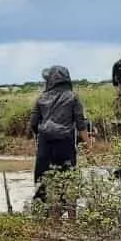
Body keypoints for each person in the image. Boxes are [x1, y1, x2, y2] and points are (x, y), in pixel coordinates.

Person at [29, 66, 88, 205]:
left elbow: (33, 123)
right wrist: (88, 145)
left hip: (45, 144)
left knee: (43, 177)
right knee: (67, 178)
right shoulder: (73, 97)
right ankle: (66, 211)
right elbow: (81, 124)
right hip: (65, 143)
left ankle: (43, 212)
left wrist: (38, 138)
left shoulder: (41, 98)